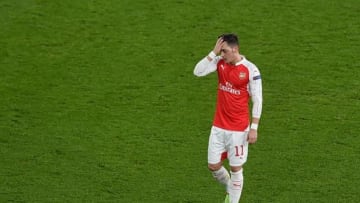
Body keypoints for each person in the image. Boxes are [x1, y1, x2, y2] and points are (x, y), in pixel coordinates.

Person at [193, 33, 263, 203]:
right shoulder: (219, 63)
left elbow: (258, 99)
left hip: (239, 129)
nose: (222, 55)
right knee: (213, 166)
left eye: (224, 51)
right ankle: (232, 189)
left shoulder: (250, 70)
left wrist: (254, 127)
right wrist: (213, 53)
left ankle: (232, 200)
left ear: (235, 49)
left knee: (235, 168)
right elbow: (197, 72)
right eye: (220, 51)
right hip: (218, 126)